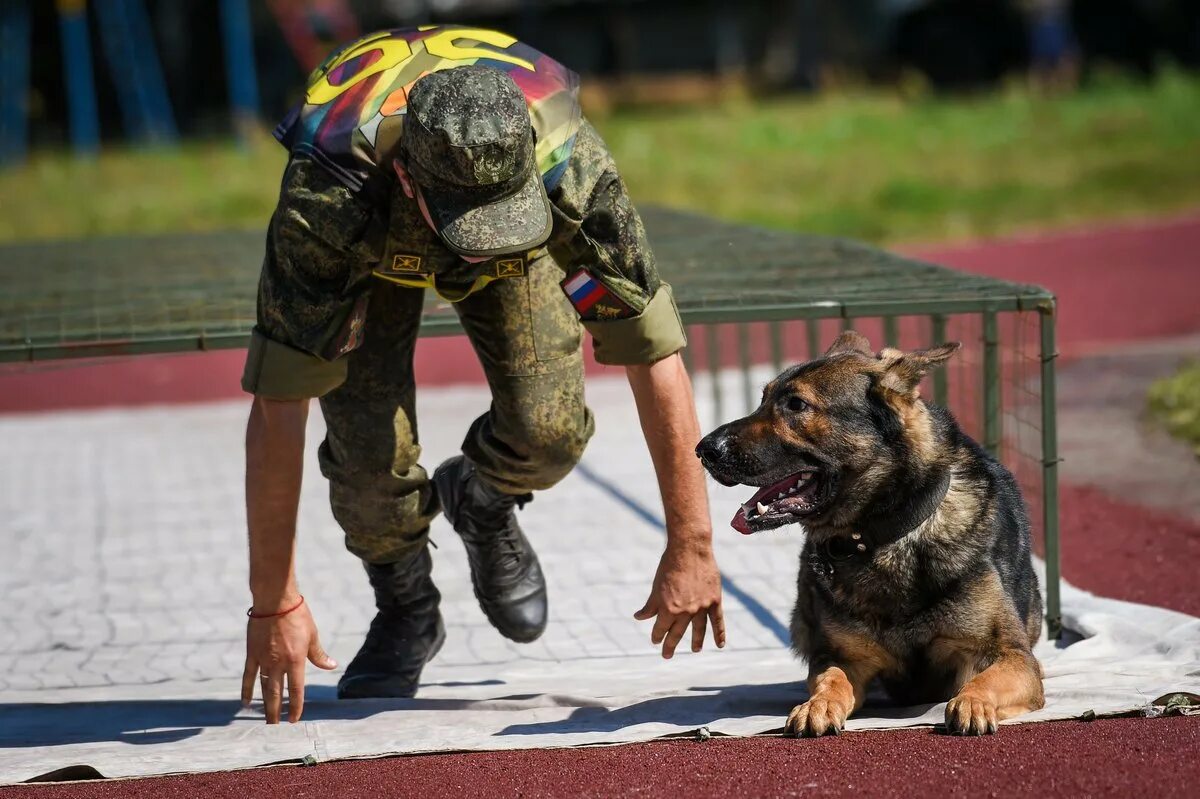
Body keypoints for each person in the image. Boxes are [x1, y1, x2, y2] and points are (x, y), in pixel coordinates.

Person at [239, 25, 725, 725]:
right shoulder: (329, 198)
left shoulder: (566, 165)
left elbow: (652, 347)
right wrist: (275, 600)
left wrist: (692, 544)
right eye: (476, 221)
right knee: (368, 476)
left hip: (512, 235)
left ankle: (481, 501)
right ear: (408, 176)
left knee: (549, 430)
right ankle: (407, 603)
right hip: (375, 245)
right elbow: (279, 405)